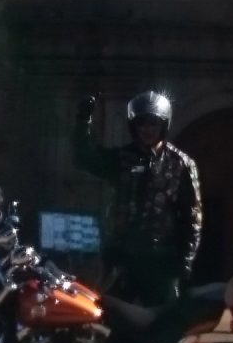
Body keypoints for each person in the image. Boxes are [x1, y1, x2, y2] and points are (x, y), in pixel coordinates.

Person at [73, 90, 201, 306]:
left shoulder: (181, 164)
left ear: (163, 126)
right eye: (142, 124)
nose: (147, 130)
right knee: (106, 315)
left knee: (163, 323)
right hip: (121, 257)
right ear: (133, 126)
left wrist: (184, 261)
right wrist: (83, 121)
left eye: (153, 124)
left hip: (161, 259)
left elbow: (192, 217)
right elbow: (86, 158)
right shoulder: (122, 158)